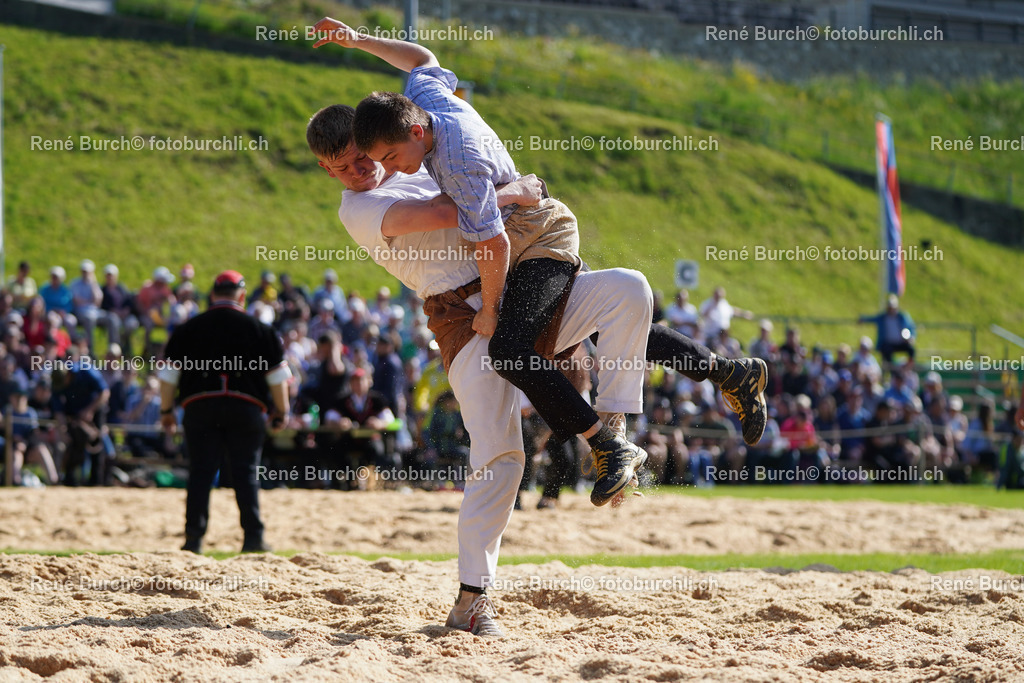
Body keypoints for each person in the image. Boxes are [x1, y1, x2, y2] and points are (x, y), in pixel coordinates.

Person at [304, 100, 767, 637]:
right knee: (502, 459)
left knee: (627, 290)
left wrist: (360, 41)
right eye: (342, 168)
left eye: (362, 157)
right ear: (327, 170)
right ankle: (472, 599)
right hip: (466, 321)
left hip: (511, 284)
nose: (358, 171)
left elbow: (436, 97)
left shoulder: (411, 161)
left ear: (373, 141)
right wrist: (523, 191)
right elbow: (454, 214)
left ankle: (617, 432)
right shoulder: (357, 209)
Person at [159, 270, 291, 554]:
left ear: (212, 295)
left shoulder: (188, 329)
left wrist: (166, 410)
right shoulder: (261, 330)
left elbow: (168, 377)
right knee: (246, 473)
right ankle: (253, 538)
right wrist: (281, 411)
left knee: (200, 473)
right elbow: (278, 378)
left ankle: (193, 539)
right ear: (242, 296)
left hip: (200, 406)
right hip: (246, 408)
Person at [859, 294, 916, 368]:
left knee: (911, 349)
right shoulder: (883, 318)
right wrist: (863, 319)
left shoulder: (902, 317)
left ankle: (909, 367)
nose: (891, 310)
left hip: (901, 342)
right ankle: (893, 370)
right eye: (889, 308)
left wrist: (912, 337)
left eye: (892, 308)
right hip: (889, 344)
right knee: (886, 351)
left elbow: (911, 327)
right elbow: (873, 319)